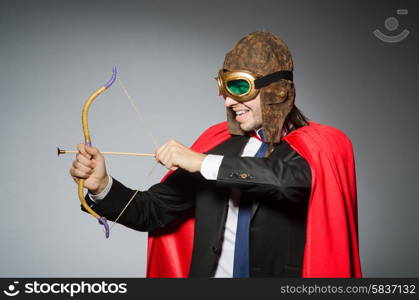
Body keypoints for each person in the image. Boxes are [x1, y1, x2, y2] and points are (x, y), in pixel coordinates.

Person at [70, 32, 362, 278]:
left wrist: (201, 162)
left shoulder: (321, 146)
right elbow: (152, 211)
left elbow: (284, 181)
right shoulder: (217, 143)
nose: (229, 101)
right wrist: (101, 186)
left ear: (277, 92)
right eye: (225, 87)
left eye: (239, 87)